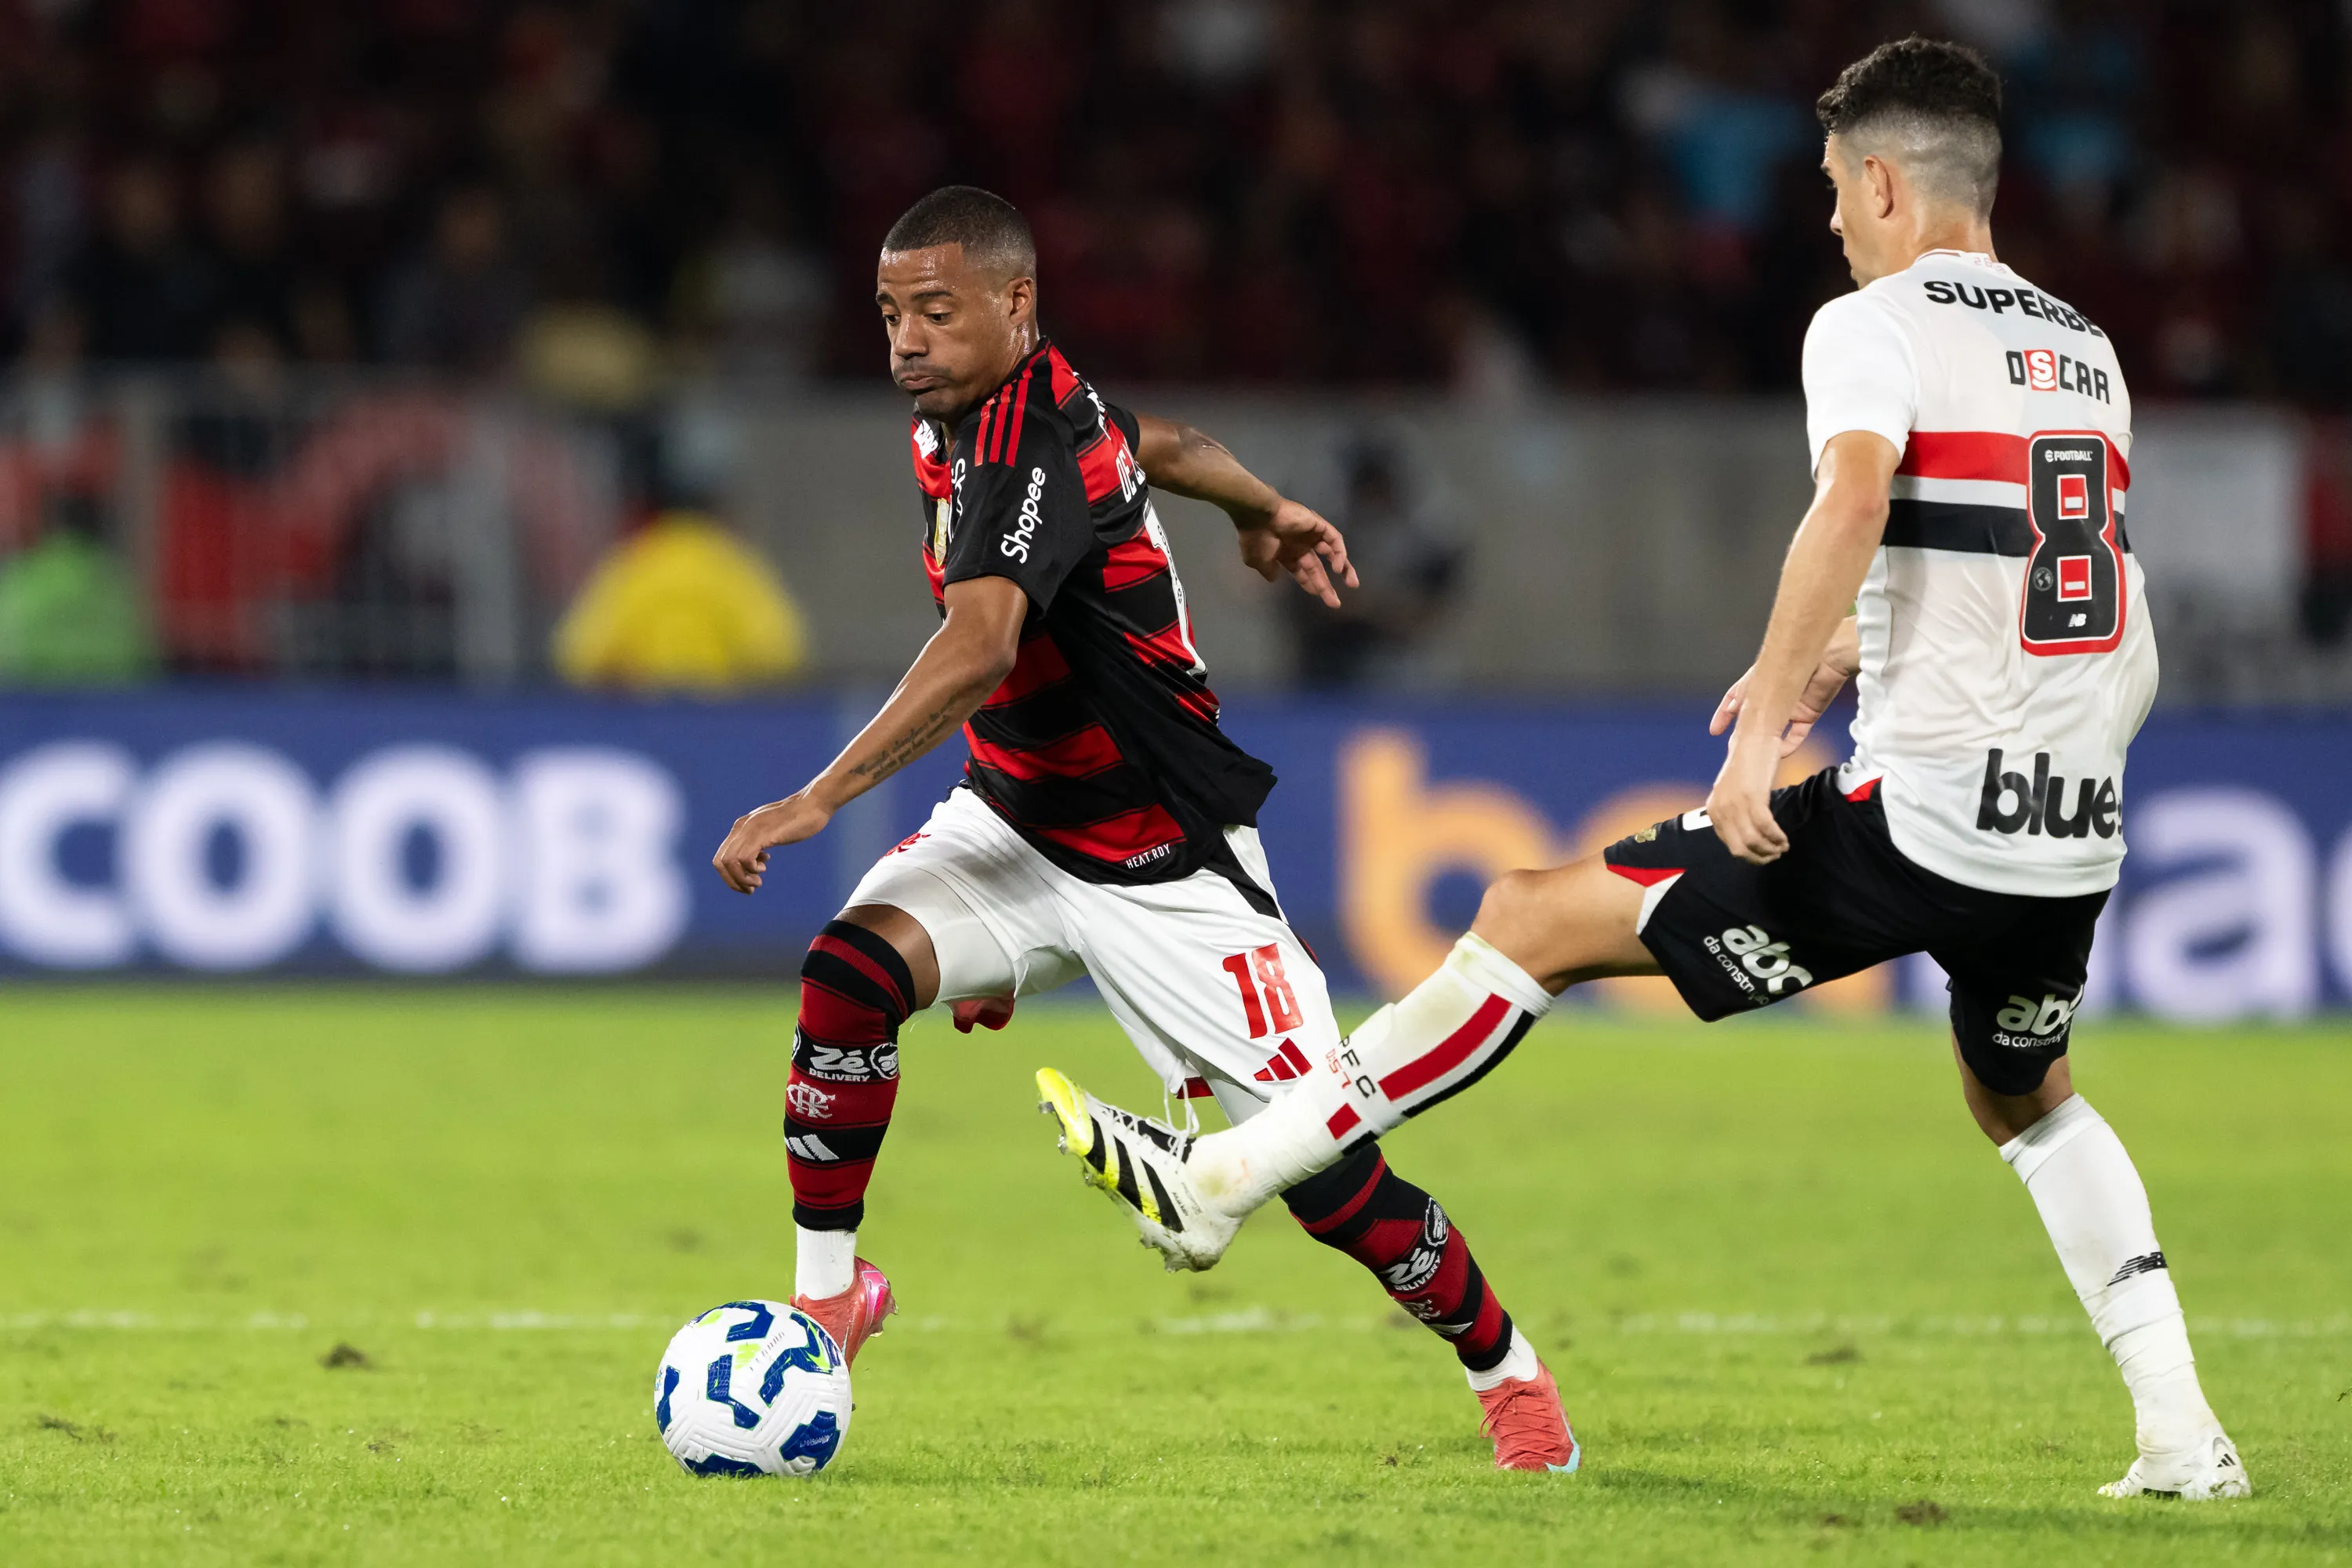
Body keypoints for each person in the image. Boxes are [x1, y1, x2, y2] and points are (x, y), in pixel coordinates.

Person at [1041, 39, 2250, 1501]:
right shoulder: (2084, 349)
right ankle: (2184, 1438)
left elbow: (1855, 503)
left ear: (1883, 181)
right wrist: (1843, 656)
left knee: (1530, 917)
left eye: (1832, 189)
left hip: (1927, 814)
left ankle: (1223, 1179)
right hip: (2071, 824)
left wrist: (1760, 735)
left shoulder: (1871, 325)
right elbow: (2038, 568)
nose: (1829, 220)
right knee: (2027, 1095)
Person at [711, 186, 1580, 1471]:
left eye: (936, 312)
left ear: (1016, 303)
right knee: (849, 975)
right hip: (1015, 823)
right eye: (891, 314)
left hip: (1163, 856)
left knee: (1329, 1181)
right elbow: (1158, 439)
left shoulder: (1021, 440)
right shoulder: (989, 411)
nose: (906, 340)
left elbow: (981, 642)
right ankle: (829, 1297)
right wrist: (1260, 505)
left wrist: (821, 796)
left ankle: (1509, 1374)